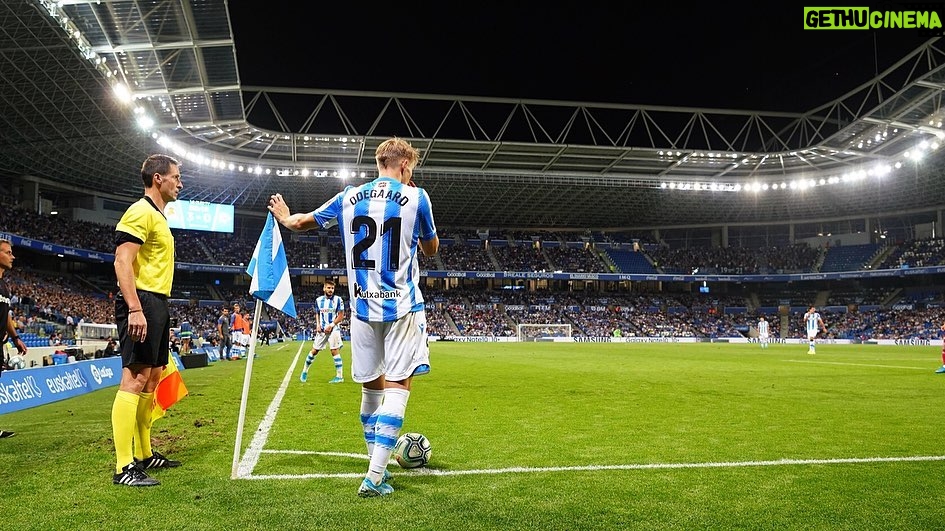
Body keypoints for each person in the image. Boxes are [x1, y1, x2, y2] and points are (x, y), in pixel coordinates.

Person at [269, 137, 438, 497]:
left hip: (360, 309)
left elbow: (301, 223)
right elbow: (431, 248)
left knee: (371, 388)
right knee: (398, 385)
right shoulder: (417, 198)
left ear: (379, 163)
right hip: (401, 307)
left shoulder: (349, 196)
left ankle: (376, 468)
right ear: (405, 165)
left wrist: (284, 217)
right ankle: (375, 476)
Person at [110, 154, 183, 487]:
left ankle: (144, 453)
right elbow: (122, 260)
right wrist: (135, 308)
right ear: (158, 179)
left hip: (157, 302)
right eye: (176, 177)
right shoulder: (140, 211)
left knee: (151, 380)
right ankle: (124, 466)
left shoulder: (159, 216)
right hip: (142, 302)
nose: (179, 183)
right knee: (135, 379)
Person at [0, 238, 28, 438]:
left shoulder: (4, 286)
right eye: (8, 252)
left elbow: (6, 315)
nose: (13, 256)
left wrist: (16, 337)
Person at [300, 279, 346, 383]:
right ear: (324, 288)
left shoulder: (338, 300)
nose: (330, 290)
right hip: (322, 330)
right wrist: (318, 324)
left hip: (334, 329)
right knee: (314, 350)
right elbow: (317, 313)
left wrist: (332, 325)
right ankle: (304, 371)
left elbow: (341, 315)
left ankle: (339, 376)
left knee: (334, 350)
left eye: (332, 288)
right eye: (328, 288)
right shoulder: (318, 300)